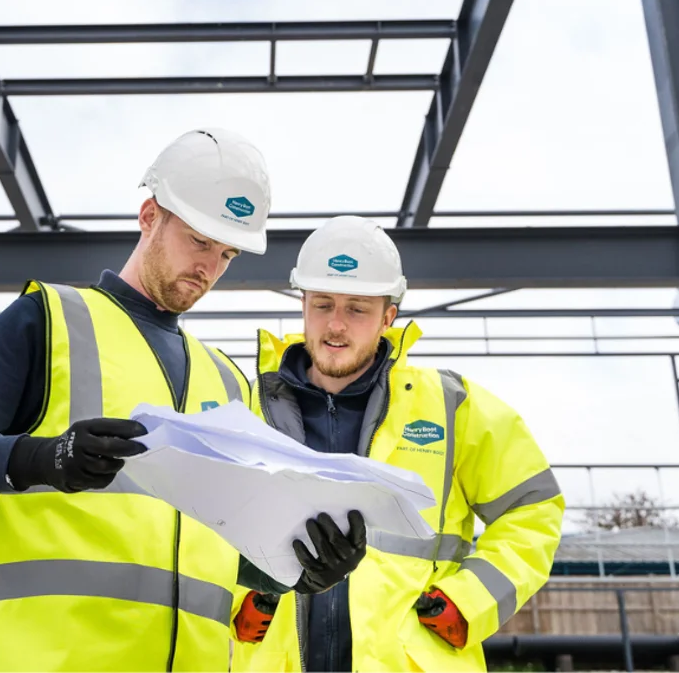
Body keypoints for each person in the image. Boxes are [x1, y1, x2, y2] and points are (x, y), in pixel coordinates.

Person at [0, 130, 366, 673]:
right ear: (149, 216)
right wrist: (41, 459)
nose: (209, 268)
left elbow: (215, 546)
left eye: (227, 253)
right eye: (199, 241)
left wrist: (302, 569)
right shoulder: (51, 321)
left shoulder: (228, 380)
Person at [231, 216, 565, 672]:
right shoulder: (245, 408)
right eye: (323, 304)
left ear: (388, 317)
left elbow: (533, 508)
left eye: (357, 309)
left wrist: (466, 601)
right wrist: (241, 601)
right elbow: (198, 529)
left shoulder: (452, 407)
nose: (335, 326)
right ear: (302, 303)